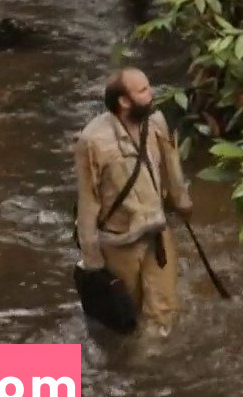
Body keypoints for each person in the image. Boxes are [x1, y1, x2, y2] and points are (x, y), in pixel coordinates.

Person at [74, 67, 194, 338]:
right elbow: (87, 202)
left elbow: (172, 172)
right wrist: (92, 262)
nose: (151, 94)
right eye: (142, 90)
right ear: (124, 101)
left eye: (148, 87)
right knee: (127, 316)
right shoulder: (92, 141)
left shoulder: (157, 124)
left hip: (157, 235)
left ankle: (150, 366)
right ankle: (127, 368)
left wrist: (182, 203)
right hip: (118, 244)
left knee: (163, 312)